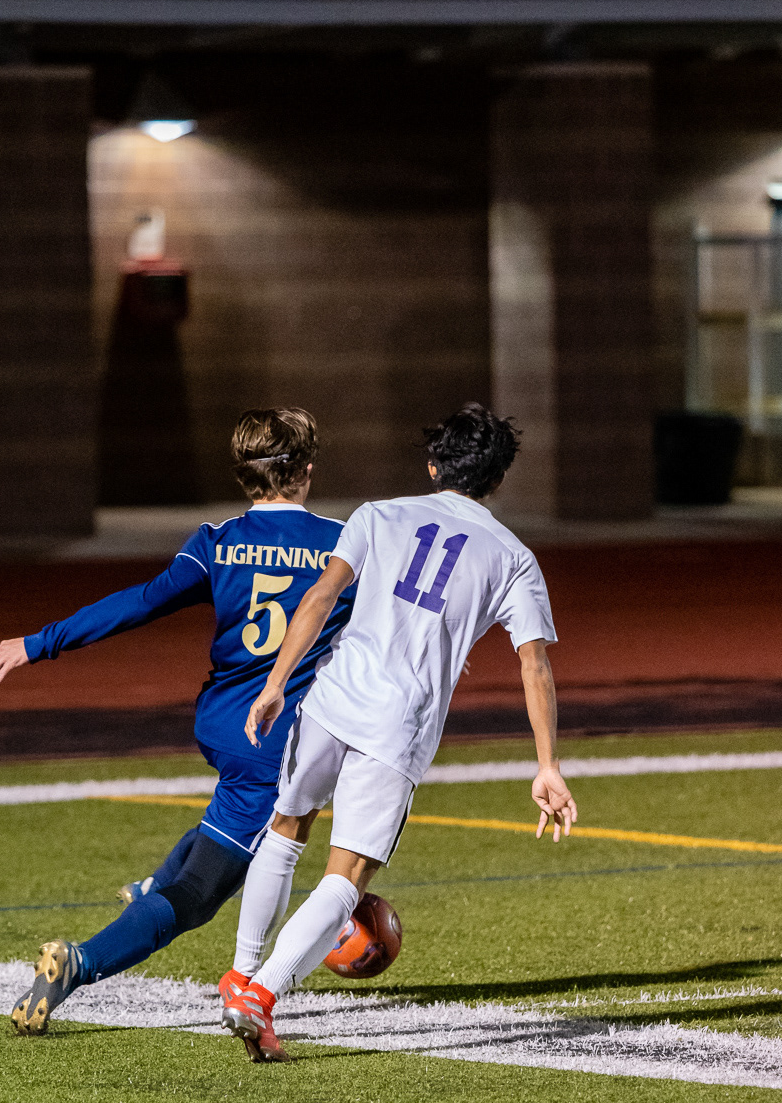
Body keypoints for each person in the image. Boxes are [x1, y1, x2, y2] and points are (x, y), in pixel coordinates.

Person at [0, 408, 356, 1035]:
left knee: (235, 820)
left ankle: (154, 883)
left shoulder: (218, 540)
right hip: (275, 736)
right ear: (307, 470)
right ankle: (81, 961)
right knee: (200, 896)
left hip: (222, 722)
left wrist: (38, 643)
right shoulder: (342, 544)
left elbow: (142, 601)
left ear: (243, 476)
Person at [220, 402, 578, 1062]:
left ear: (433, 466)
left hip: (331, 696)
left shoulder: (377, 515)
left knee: (286, 826)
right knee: (348, 874)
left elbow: (320, 597)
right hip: (398, 724)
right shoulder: (513, 557)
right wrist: (547, 764)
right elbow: (534, 664)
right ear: (497, 479)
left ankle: (241, 974)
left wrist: (275, 682)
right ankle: (260, 996)